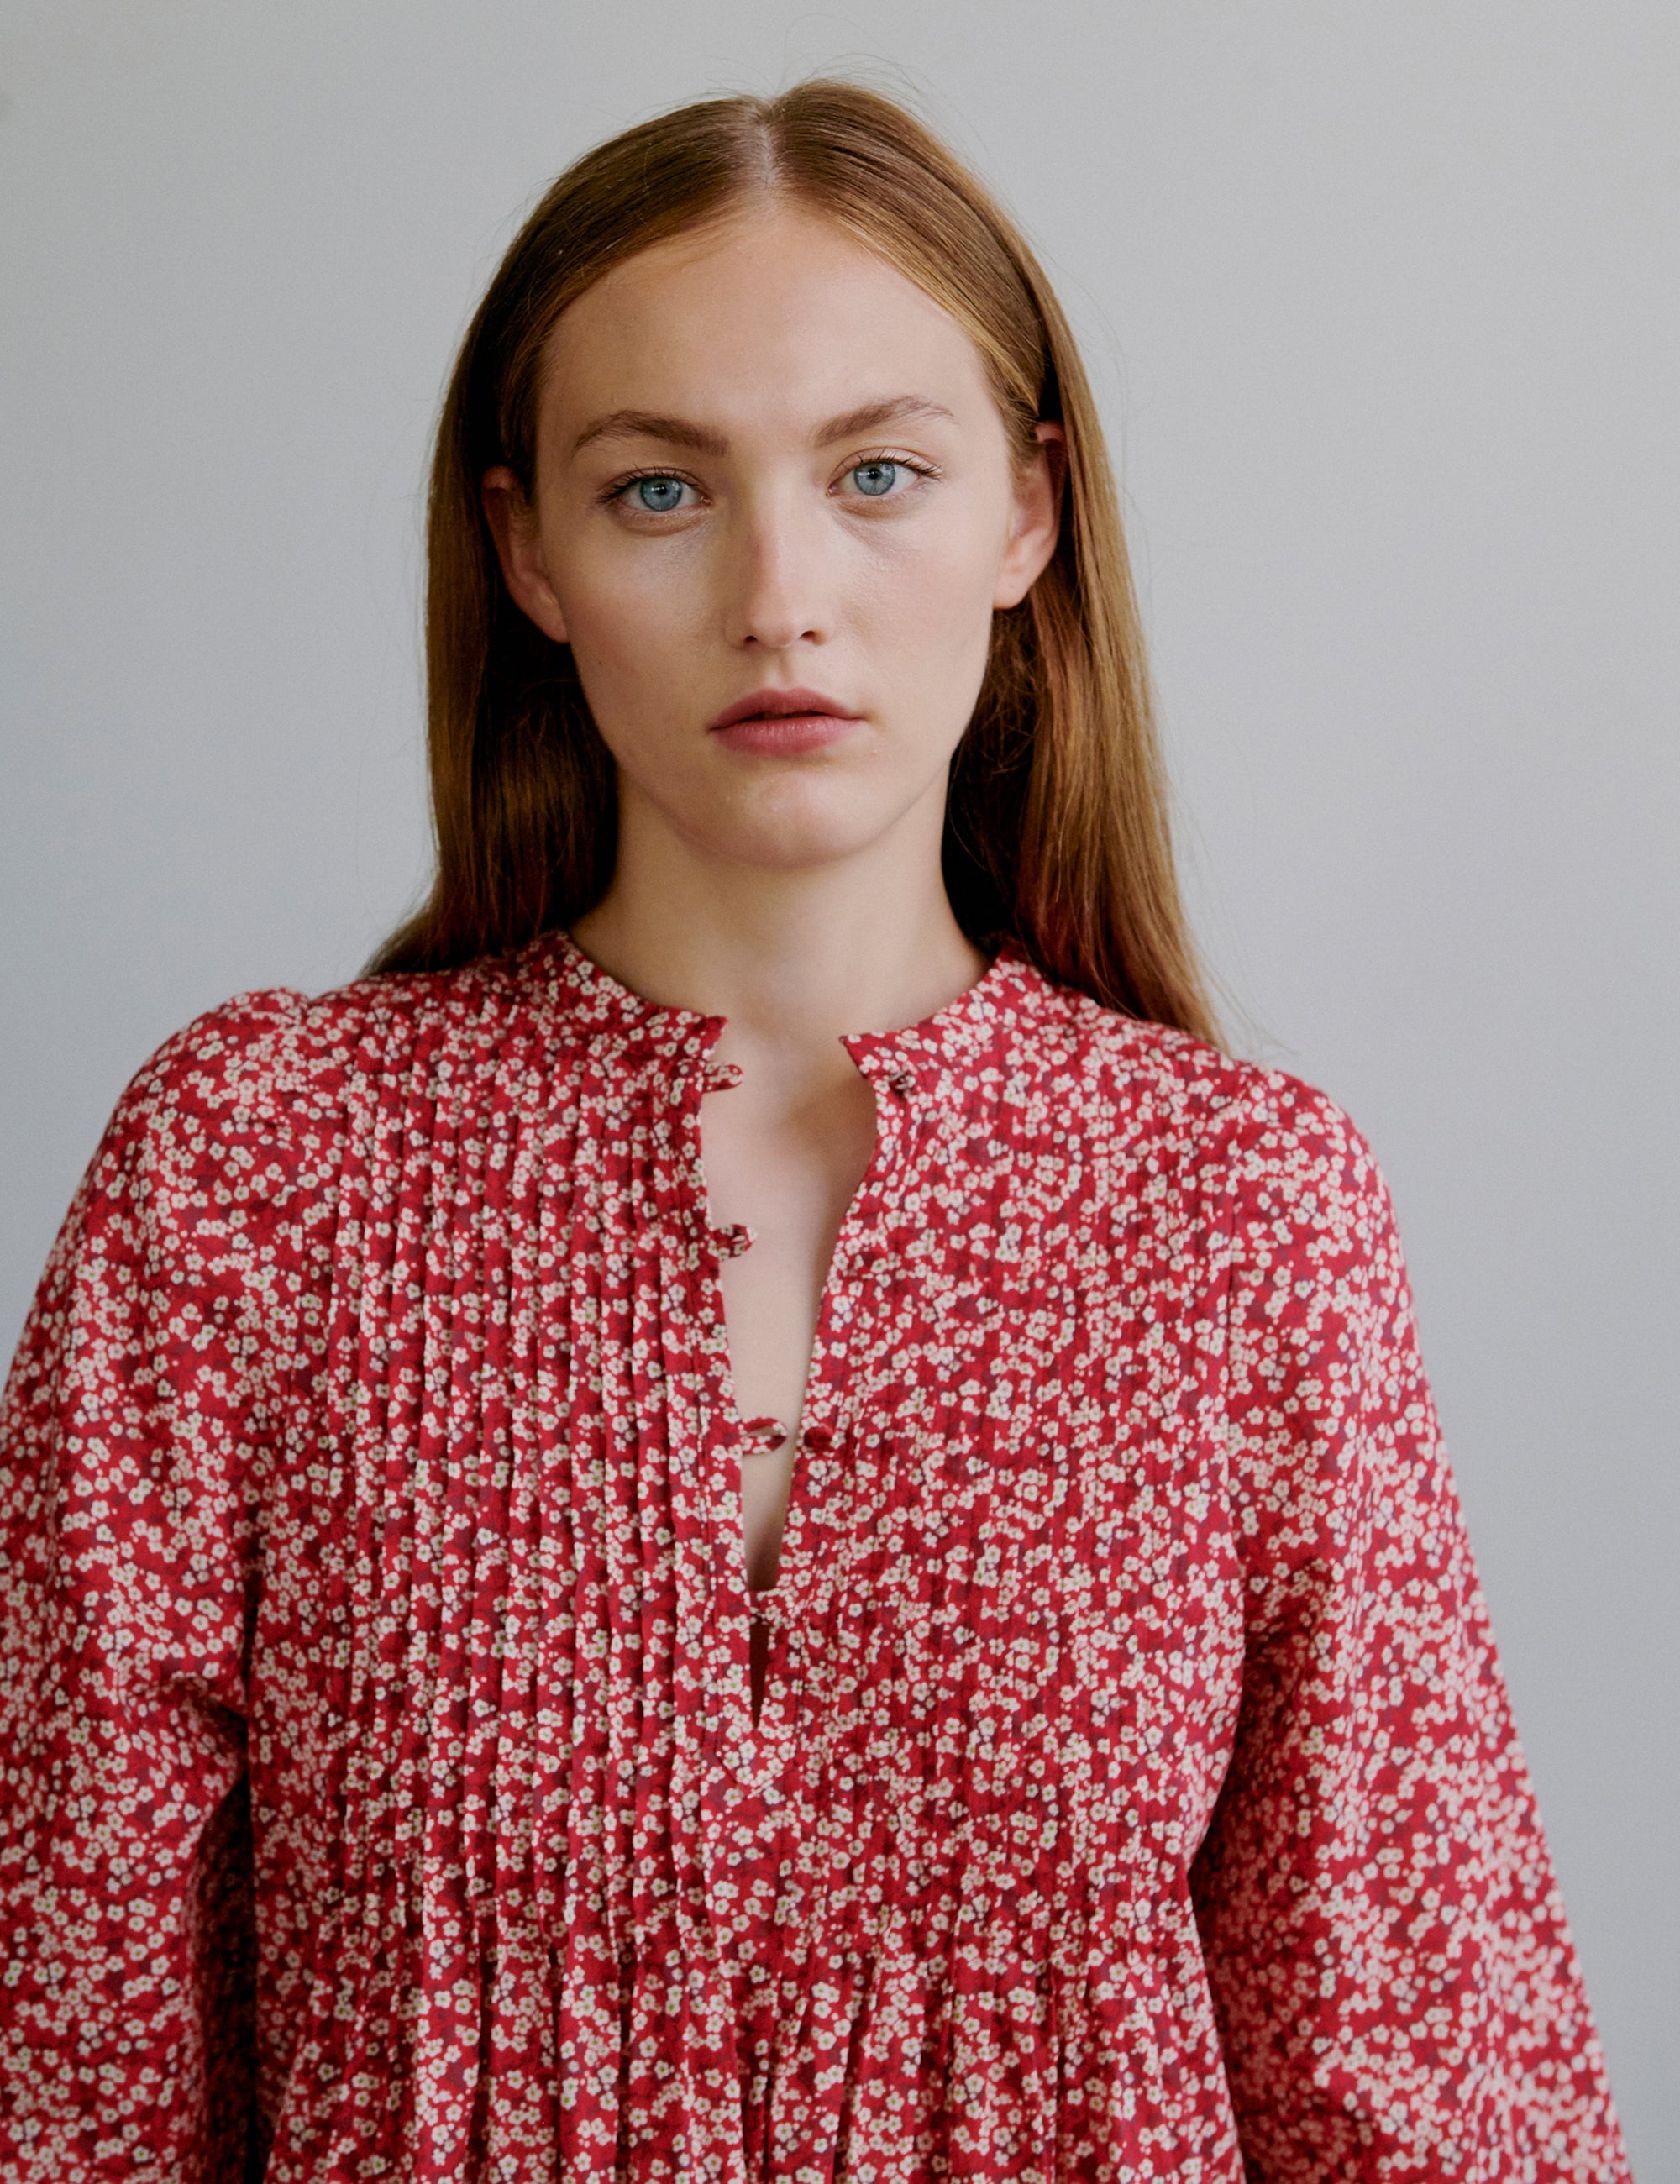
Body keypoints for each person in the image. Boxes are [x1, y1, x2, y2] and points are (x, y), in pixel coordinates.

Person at [0, 80, 1630, 2184]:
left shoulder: (1241, 1203)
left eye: (878, 472)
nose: (783, 591)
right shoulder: (253, 1171)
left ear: (1027, 517)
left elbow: (1423, 2063)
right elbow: (65, 2059)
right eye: (659, 491)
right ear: (528, 552)